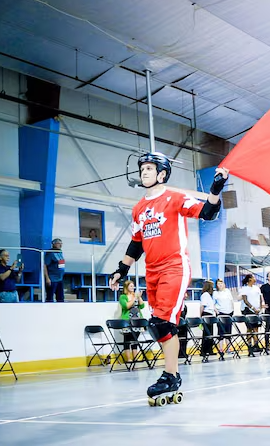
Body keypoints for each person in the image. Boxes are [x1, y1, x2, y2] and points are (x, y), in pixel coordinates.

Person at [109, 151, 229, 403]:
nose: (144, 172)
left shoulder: (176, 198)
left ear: (162, 174)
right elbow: (136, 243)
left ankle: (170, 375)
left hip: (174, 267)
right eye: (142, 168)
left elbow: (207, 212)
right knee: (158, 325)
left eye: (149, 168)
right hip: (151, 271)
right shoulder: (139, 208)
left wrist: (216, 189)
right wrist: (122, 269)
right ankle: (171, 375)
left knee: (162, 323)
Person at [118, 280, 146, 362]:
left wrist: (139, 297)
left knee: (135, 340)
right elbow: (126, 306)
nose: (132, 287)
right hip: (127, 320)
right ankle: (128, 359)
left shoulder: (135, 295)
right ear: (126, 287)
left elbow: (142, 306)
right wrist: (134, 298)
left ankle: (135, 358)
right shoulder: (123, 297)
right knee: (127, 339)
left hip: (137, 320)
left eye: (133, 286)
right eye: (131, 286)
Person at [239, 274, 262, 355]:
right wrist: (253, 308)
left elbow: (260, 298)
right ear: (249, 279)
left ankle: (256, 344)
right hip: (248, 310)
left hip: (257, 310)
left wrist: (260, 308)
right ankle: (249, 345)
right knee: (249, 328)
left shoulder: (257, 288)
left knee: (256, 328)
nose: (255, 279)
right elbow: (245, 300)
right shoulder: (244, 289)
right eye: (253, 277)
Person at [43, 238, 65, 303]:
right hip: (52, 278)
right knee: (50, 297)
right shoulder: (50, 253)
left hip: (60, 278)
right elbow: (45, 265)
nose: (60, 245)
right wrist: (47, 278)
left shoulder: (60, 252)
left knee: (60, 297)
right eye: (58, 243)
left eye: (61, 243)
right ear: (54, 244)